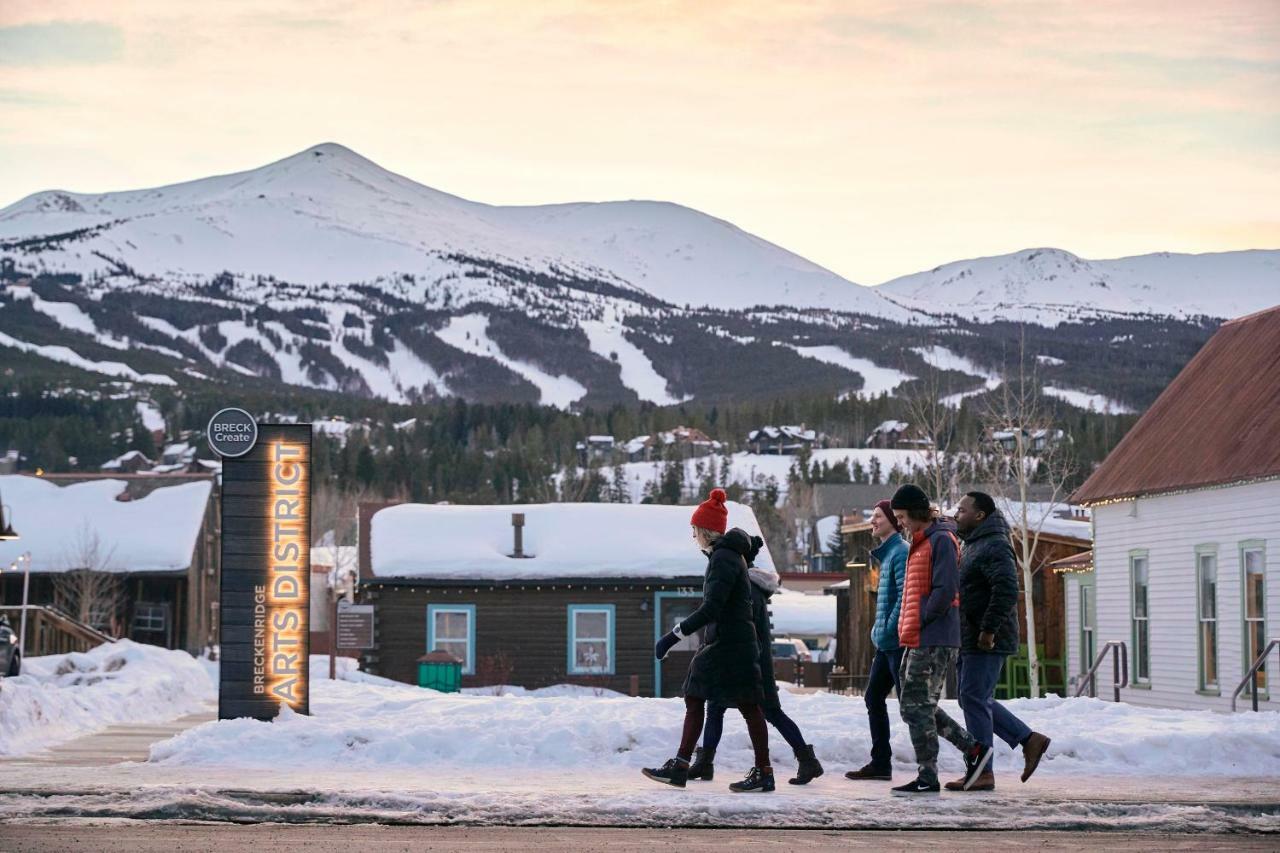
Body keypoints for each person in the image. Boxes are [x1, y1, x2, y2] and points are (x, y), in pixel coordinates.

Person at [642, 488, 775, 793]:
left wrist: (672, 636)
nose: (693, 536)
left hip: (728, 644)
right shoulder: (728, 556)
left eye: (694, 530)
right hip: (733, 642)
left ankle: (682, 765)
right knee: (742, 704)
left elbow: (711, 608)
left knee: (702, 696)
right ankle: (760, 771)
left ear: (705, 530)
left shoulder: (724, 559)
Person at [687, 535, 824, 786]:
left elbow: (748, 628)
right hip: (739, 657)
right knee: (715, 707)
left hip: (752, 661)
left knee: (769, 711)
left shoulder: (747, 588)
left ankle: (806, 760)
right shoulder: (747, 584)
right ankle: (704, 763)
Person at [890, 483, 991, 796]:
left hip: (933, 637)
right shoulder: (921, 542)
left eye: (902, 516)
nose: (900, 523)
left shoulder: (941, 541)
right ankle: (973, 750)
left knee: (916, 705)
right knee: (915, 706)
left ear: (917, 512)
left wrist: (921, 617)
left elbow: (945, 590)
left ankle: (928, 774)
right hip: (917, 635)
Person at [948, 492, 1052, 791]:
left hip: (986, 637)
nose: (957, 514)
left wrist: (988, 630)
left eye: (962, 510)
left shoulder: (994, 545)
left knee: (973, 697)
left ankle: (983, 771)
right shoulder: (974, 543)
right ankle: (1028, 740)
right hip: (971, 634)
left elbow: (1007, 589)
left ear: (979, 515)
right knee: (973, 698)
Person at [846, 499, 908, 781]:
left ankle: (970, 748)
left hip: (896, 643)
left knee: (913, 705)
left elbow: (905, 597)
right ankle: (881, 763)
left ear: (894, 521)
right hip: (886, 644)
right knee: (873, 697)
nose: (872, 520)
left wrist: (885, 629)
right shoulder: (889, 554)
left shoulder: (900, 553)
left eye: (878, 516)